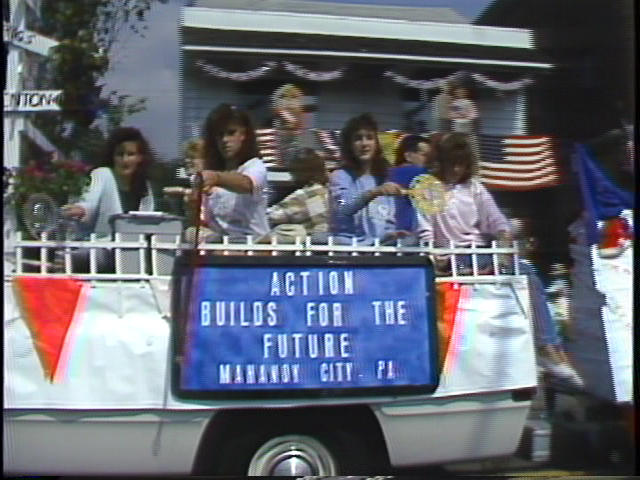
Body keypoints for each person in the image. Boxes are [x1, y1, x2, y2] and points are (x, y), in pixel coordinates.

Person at [416, 133, 583, 387]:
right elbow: (425, 231)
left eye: (461, 164)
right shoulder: (428, 188)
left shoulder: (474, 188)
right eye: (452, 163)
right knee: (519, 271)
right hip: (451, 259)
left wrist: (504, 237)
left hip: (481, 253)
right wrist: (434, 255)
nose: (456, 169)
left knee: (528, 273)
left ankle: (549, 347)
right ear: (441, 161)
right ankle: (548, 350)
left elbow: (496, 221)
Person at [192, 104, 269, 242]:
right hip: (221, 244)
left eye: (231, 133)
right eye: (220, 135)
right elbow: (203, 219)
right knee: (190, 234)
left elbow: (247, 184)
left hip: (253, 244)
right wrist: (191, 203)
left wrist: (217, 178)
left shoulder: (255, 166)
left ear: (244, 135)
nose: (224, 140)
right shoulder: (210, 173)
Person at [328, 113, 408, 245]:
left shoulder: (384, 179)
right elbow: (344, 208)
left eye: (369, 138)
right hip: (347, 251)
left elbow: (387, 221)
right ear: (349, 145)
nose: (364, 144)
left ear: (376, 144)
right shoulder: (340, 176)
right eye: (358, 138)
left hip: (378, 253)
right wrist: (373, 193)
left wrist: (392, 235)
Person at [62, 127, 155, 236]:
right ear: (112, 157)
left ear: (140, 158)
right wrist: (81, 209)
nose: (125, 160)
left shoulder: (144, 186)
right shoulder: (102, 174)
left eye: (130, 154)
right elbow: (90, 201)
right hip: (101, 244)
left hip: (132, 245)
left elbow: (147, 219)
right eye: (120, 154)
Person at [265, 148, 329, 242]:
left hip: (312, 243)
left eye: (293, 171)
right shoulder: (327, 190)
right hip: (326, 241)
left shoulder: (307, 194)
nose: (291, 176)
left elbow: (272, 216)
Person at [387, 134, 433, 232]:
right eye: (425, 155)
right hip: (412, 229)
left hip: (393, 228)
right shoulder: (417, 172)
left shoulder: (389, 173)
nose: (429, 160)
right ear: (408, 156)